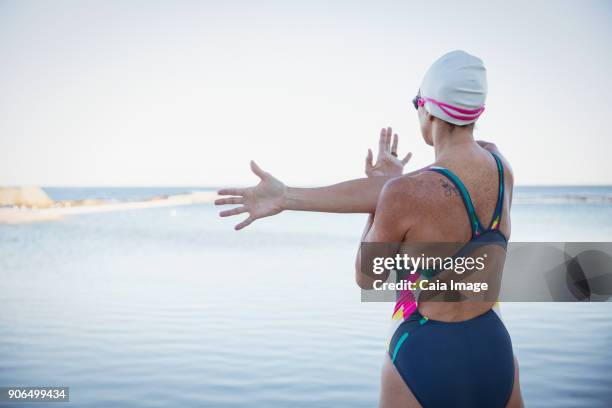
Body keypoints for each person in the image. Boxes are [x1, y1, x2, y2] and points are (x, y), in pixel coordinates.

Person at [216, 50, 524, 407]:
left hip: (423, 353)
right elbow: (435, 189)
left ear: (428, 108)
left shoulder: (403, 193)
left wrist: (380, 197)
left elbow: (368, 278)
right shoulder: (502, 168)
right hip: (493, 345)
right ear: (477, 111)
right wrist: (289, 196)